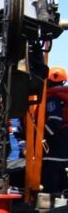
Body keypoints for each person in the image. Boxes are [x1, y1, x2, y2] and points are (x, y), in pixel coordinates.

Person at [42, 66, 68, 196]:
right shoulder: (63, 98)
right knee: (62, 182)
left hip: (54, 149)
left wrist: (40, 136)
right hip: (64, 148)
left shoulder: (53, 99)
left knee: (50, 187)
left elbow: (54, 123)